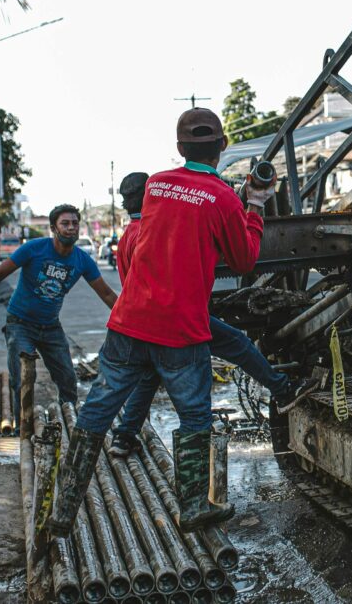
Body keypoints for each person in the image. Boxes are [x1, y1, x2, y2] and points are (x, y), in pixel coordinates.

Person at [48, 108, 274, 539]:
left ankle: (64, 508)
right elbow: (244, 260)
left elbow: (174, 223)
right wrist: (255, 204)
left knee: (96, 412)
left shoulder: (155, 185)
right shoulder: (225, 198)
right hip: (180, 331)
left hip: (128, 323)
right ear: (222, 147)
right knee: (194, 417)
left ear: (179, 148)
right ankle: (191, 507)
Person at [107, 170, 318, 458]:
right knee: (238, 346)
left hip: (147, 321)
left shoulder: (129, 236)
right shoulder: (151, 230)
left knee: (149, 376)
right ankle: (282, 390)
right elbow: (231, 257)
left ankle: (123, 436)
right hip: (178, 318)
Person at [0, 204, 119, 416]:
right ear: (53, 228)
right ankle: (21, 427)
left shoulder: (82, 260)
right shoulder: (34, 248)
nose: (71, 228)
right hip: (20, 324)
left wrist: (129, 321)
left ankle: (67, 424)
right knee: (23, 378)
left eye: (75, 224)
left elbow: (106, 293)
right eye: (65, 223)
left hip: (51, 327)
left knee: (68, 380)